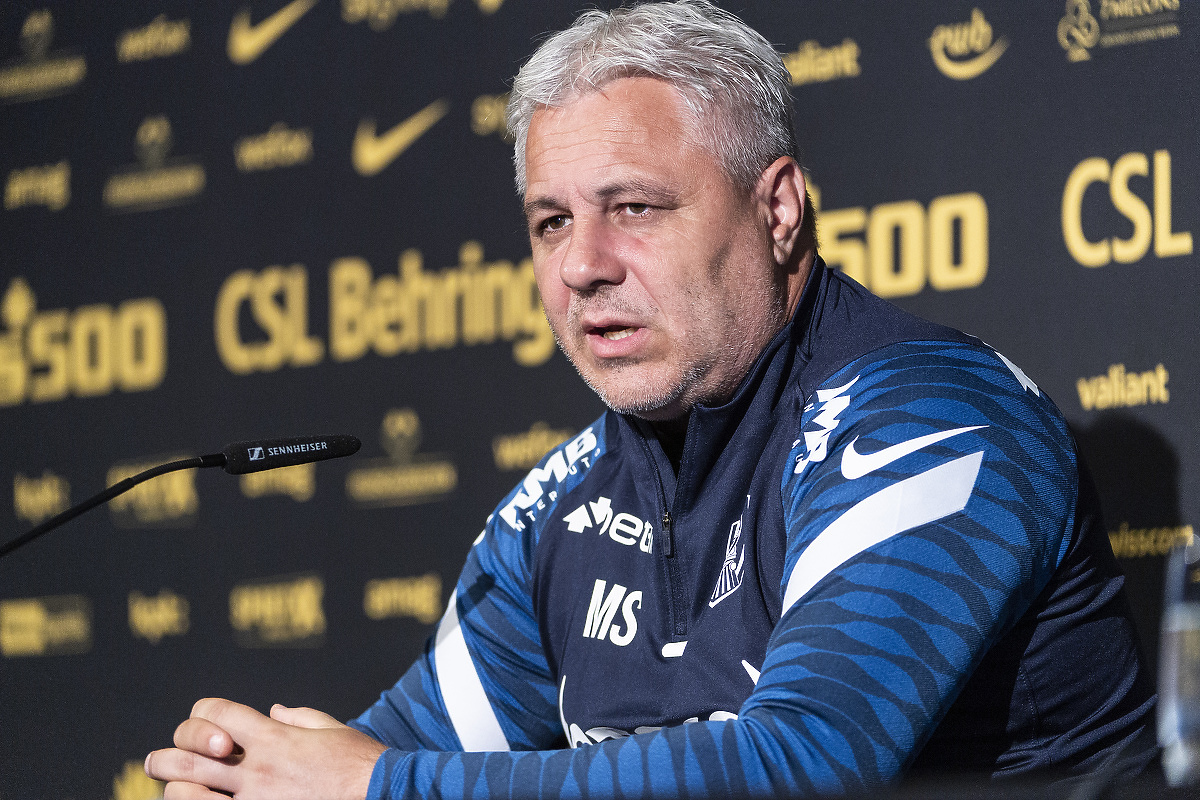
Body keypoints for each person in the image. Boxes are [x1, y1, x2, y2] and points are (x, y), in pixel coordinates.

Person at [145, 2, 1156, 798]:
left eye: (634, 207)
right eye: (550, 222)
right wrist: (247, 775)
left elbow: (804, 764)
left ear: (779, 209)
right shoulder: (558, 509)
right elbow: (393, 747)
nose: (582, 265)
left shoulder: (933, 415)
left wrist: (379, 787)